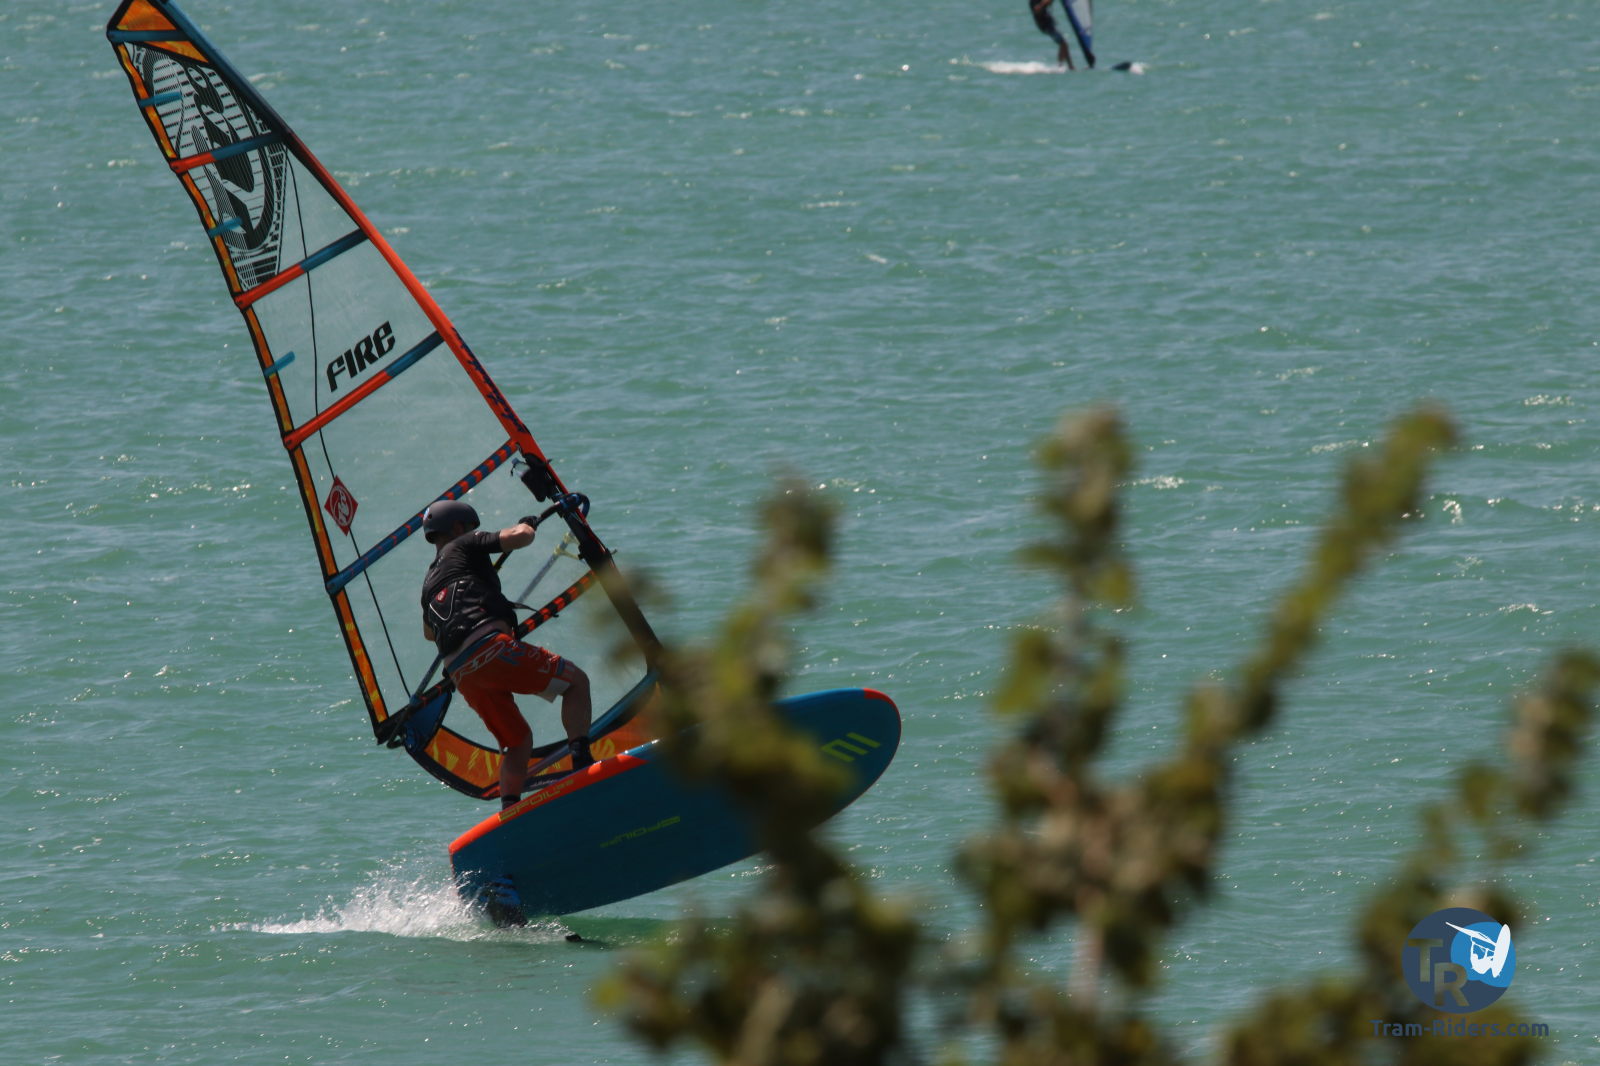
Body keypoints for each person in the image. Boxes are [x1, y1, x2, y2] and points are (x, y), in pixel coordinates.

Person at [419, 499, 592, 809]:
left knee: (517, 741)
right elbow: (520, 537)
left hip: (463, 674)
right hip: (492, 652)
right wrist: (528, 524)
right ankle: (583, 764)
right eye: (469, 527)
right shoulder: (465, 543)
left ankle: (510, 808)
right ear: (458, 527)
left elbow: (429, 634)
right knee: (576, 683)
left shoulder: (429, 582)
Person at [1029, 0, 1094, 70]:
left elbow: (1049, 2)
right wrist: (1045, 3)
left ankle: (1070, 67)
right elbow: (1038, 9)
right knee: (1063, 43)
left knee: (1064, 44)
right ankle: (1060, 66)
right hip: (1046, 26)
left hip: (1048, 24)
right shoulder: (1033, 1)